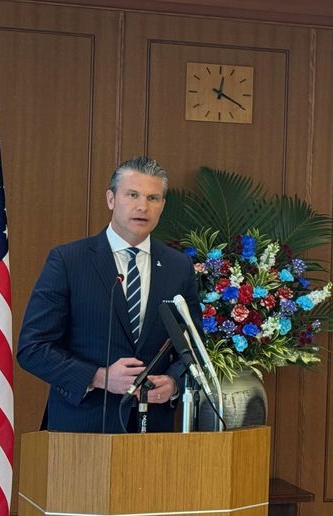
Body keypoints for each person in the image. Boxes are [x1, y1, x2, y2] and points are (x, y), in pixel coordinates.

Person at [17, 156, 203, 433]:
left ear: (162, 206)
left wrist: (174, 384)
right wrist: (99, 377)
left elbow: (194, 348)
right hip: (81, 429)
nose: (143, 206)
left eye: (153, 198)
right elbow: (32, 348)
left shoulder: (179, 267)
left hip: (152, 433)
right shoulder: (69, 261)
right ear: (111, 199)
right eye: (132, 195)